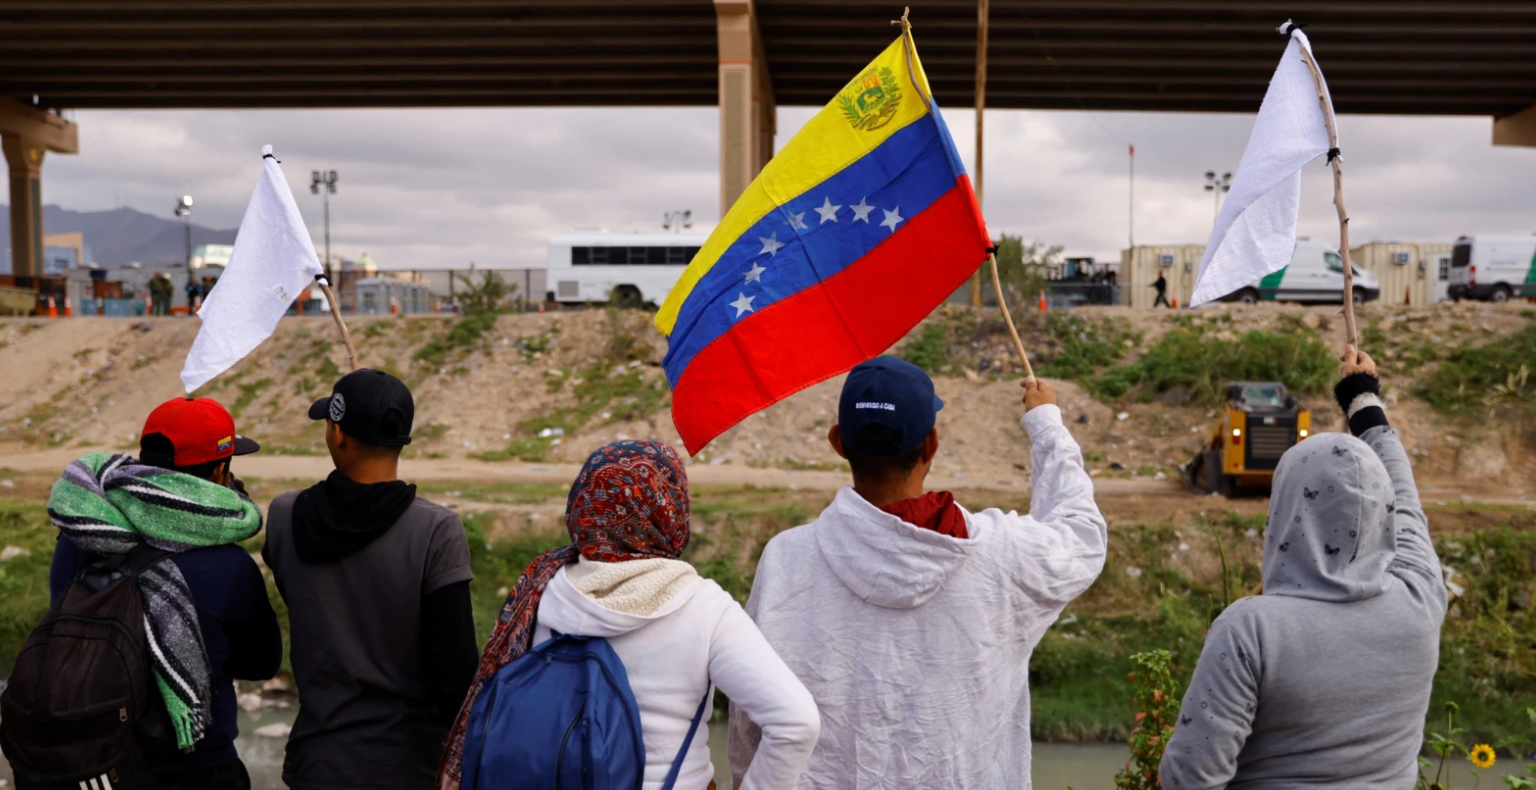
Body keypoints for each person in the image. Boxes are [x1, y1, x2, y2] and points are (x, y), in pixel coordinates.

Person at [729, 357, 1107, 789]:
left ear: (838, 442)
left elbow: (750, 723)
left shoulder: (785, 560)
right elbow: (1082, 536)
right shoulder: (1002, 553)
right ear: (932, 445)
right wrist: (1045, 423)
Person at [440, 440, 819, 790]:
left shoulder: (541, 591)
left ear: (582, 506)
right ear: (669, 509)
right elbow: (796, 723)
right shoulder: (704, 607)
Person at [1159, 345, 1446, 790]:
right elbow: (1406, 501)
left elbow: (1188, 779)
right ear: (1381, 509)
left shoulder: (1251, 630)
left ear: (1287, 508)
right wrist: (1362, 398)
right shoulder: (1420, 597)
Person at [48, 396, 280, 790]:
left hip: (97, 765)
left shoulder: (80, 536)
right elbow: (261, 663)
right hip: (200, 768)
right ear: (221, 470)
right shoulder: (228, 565)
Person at [264, 369, 478, 790]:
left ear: (338, 434)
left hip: (318, 762)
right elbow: (455, 672)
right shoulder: (436, 529)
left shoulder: (286, 515)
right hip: (409, 766)